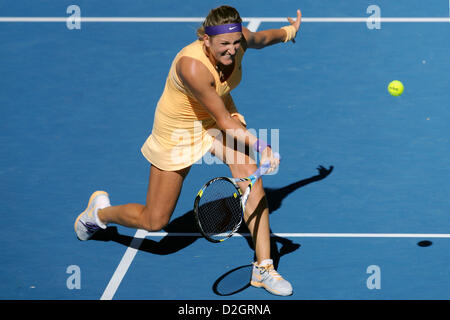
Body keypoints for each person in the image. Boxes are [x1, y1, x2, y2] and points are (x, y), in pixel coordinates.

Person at [74, 5, 301, 296]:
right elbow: (224, 122)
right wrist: (262, 145)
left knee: (252, 180)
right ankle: (100, 214)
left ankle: (264, 267)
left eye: (235, 43)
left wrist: (290, 31)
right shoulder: (192, 66)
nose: (232, 50)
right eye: (223, 45)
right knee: (154, 221)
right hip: (179, 131)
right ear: (206, 39)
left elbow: (262, 38)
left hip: (217, 119)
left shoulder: (238, 39)